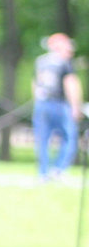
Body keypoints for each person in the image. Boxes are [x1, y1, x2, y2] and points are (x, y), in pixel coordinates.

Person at [33, 32, 84, 181]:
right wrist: (76, 106)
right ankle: (59, 170)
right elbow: (71, 84)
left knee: (42, 139)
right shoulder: (64, 62)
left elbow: (36, 83)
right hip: (60, 104)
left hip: (42, 103)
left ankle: (42, 172)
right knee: (69, 137)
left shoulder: (41, 61)